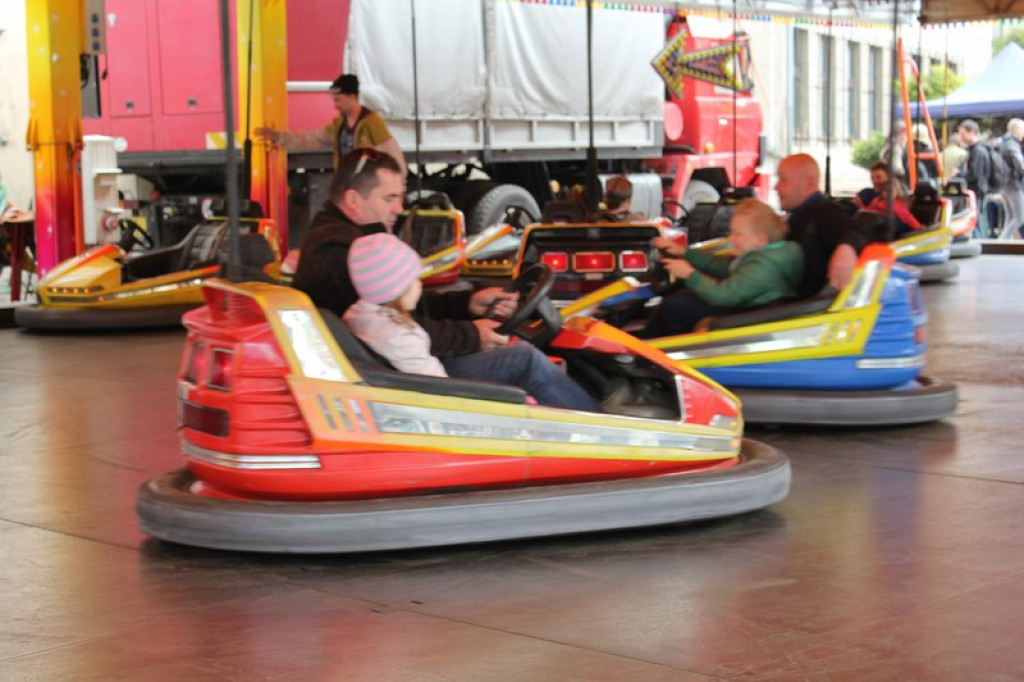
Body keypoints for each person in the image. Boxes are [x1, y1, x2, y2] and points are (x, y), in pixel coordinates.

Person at [293, 148, 599, 411]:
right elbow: (401, 326)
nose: (399, 209)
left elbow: (398, 308)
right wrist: (471, 335)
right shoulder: (338, 253)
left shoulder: (350, 241)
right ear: (353, 199)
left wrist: (466, 303)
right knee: (523, 360)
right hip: (402, 381)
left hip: (391, 366)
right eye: (390, 198)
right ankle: (611, 437)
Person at [344, 232, 600, 410]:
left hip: (420, 380)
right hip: (445, 401)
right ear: (394, 289)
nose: (420, 286)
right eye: (414, 280)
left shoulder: (363, 314)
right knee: (525, 358)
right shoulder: (398, 335)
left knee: (520, 353)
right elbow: (439, 393)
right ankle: (605, 428)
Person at [641, 198, 803, 337]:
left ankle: (650, 356)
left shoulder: (763, 266)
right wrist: (684, 252)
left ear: (760, 239)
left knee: (674, 308)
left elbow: (723, 295)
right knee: (680, 300)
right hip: (748, 305)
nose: (731, 238)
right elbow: (724, 268)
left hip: (751, 313)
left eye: (737, 234)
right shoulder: (762, 255)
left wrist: (690, 275)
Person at [255, 74, 406, 175]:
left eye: (338, 100)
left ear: (352, 97)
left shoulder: (373, 122)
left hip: (365, 187)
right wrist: (278, 136)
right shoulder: (339, 124)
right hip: (346, 183)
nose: (335, 105)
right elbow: (311, 139)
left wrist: (398, 185)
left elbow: (393, 155)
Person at [774, 153, 865, 297]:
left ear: (809, 184)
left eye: (783, 179)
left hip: (801, 307)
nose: (776, 187)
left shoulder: (824, 211)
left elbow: (851, 232)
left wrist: (846, 247)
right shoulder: (799, 215)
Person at [854, 162, 924, 237]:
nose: (874, 181)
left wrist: (918, 227)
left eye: (878, 177)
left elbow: (907, 217)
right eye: (872, 178)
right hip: (871, 224)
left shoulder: (895, 206)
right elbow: (869, 211)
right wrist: (860, 206)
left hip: (882, 229)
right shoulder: (876, 200)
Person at [958, 119, 992, 236]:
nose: (961, 137)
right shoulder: (976, 150)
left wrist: (960, 175)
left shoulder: (978, 151)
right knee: (976, 221)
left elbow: (974, 174)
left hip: (976, 191)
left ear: (972, 132)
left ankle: (981, 243)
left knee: (976, 222)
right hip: (977, 190)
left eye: (963, 134)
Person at [997, 118, 1024, 240]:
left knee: (1010, 215)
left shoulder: (1003, 142)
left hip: (1005, 184)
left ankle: (1004, 240)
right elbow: (1019, 163)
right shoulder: (1011, 143)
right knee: (1020, 216)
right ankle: (1003, 240)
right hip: (1013, 184)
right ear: (1017, 129)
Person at [880, 120, 910, 192]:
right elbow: (897, 168)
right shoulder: (896, 146)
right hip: (896, 181)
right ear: (901, 132)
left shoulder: (888, 143)